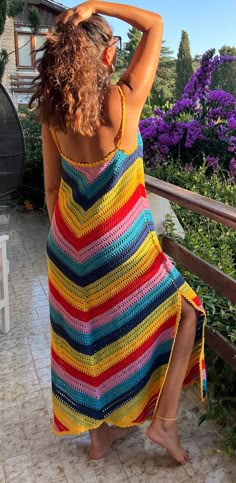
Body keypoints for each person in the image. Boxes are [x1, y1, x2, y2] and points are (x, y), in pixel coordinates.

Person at [29, 0, 206, 466]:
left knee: (89, 334)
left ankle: (100, 435)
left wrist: (74, 247)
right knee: (187, 311)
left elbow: (51, 190)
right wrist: (95, 6)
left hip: (68, 247)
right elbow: (156, 25)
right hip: (121, 245)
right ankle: (163, 423)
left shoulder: (54, 108)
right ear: (107, 56)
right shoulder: (122, 101)